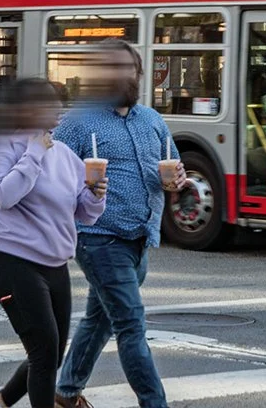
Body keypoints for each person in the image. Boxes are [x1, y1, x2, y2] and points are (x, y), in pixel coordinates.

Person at [53, 41, 178, 408]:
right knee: (130, 324)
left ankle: (66, 392)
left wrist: (176, 179)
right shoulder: (79, 121)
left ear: (139, 74)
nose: (123, 75)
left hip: (140, 237)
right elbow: (53, 172)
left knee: (99, 318)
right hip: (98, 238)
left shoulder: (152, 120)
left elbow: (172, 166)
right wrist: (83, 187)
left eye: (130, 68)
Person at [0, 78, 108, 408]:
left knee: (52, 352)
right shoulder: (3, 147)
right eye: (50, 103)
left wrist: (95, 195)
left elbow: (84, 213)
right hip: (13, 262)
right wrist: (34, 151)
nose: (58, 110)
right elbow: (4, 196)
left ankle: (3, 399)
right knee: (44, 352)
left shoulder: (64, 154)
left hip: (56, 265)